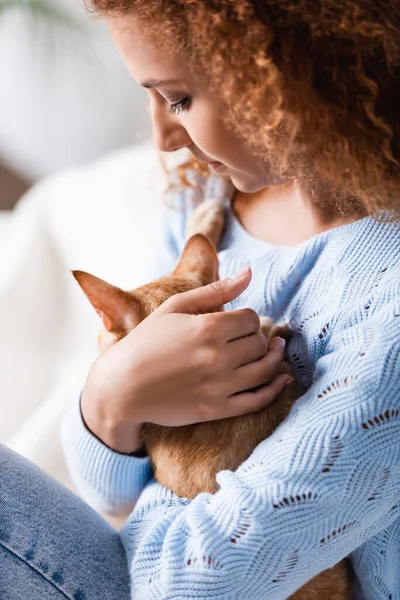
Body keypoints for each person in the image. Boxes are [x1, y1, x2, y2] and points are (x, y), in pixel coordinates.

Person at [1, 1, 399, 599]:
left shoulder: (386, 299)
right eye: (152, 97)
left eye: (179, 99)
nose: (161, 139)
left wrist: (153, 439)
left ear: (286, 71)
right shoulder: (207, 209)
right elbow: (105, 490)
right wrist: (110, 399)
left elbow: (192, 581)